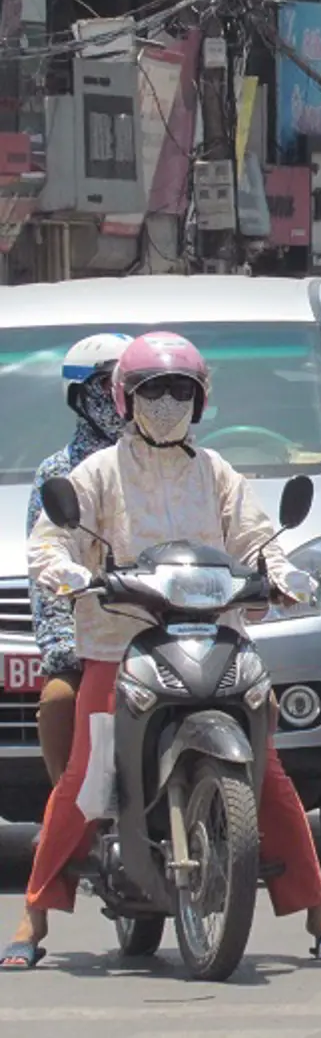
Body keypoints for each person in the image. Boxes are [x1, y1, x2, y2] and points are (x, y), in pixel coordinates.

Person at [4, 332, 321, 970]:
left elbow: (256, 537)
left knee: (268, 770)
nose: (166, 403)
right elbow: (51, 540)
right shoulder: (97, 472)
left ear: (201, 400)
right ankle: (34, 915)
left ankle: (319, 910)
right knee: (83, 776)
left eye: (180, 391)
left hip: (214, 637)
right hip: (118, 642)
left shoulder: (215, 470)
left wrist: (284, 573)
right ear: (124, 399)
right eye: (153, 391)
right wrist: (68, 573)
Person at [26, 333, 131, 785]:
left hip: (164, 626)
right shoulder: (57, 473)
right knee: (58, 702)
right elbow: (45, 571)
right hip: (90, 635)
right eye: (108, 385)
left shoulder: (162, 461)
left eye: (130, 385)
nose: (122, 399)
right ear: (80, 396)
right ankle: (68, 817)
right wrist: (66, 649)